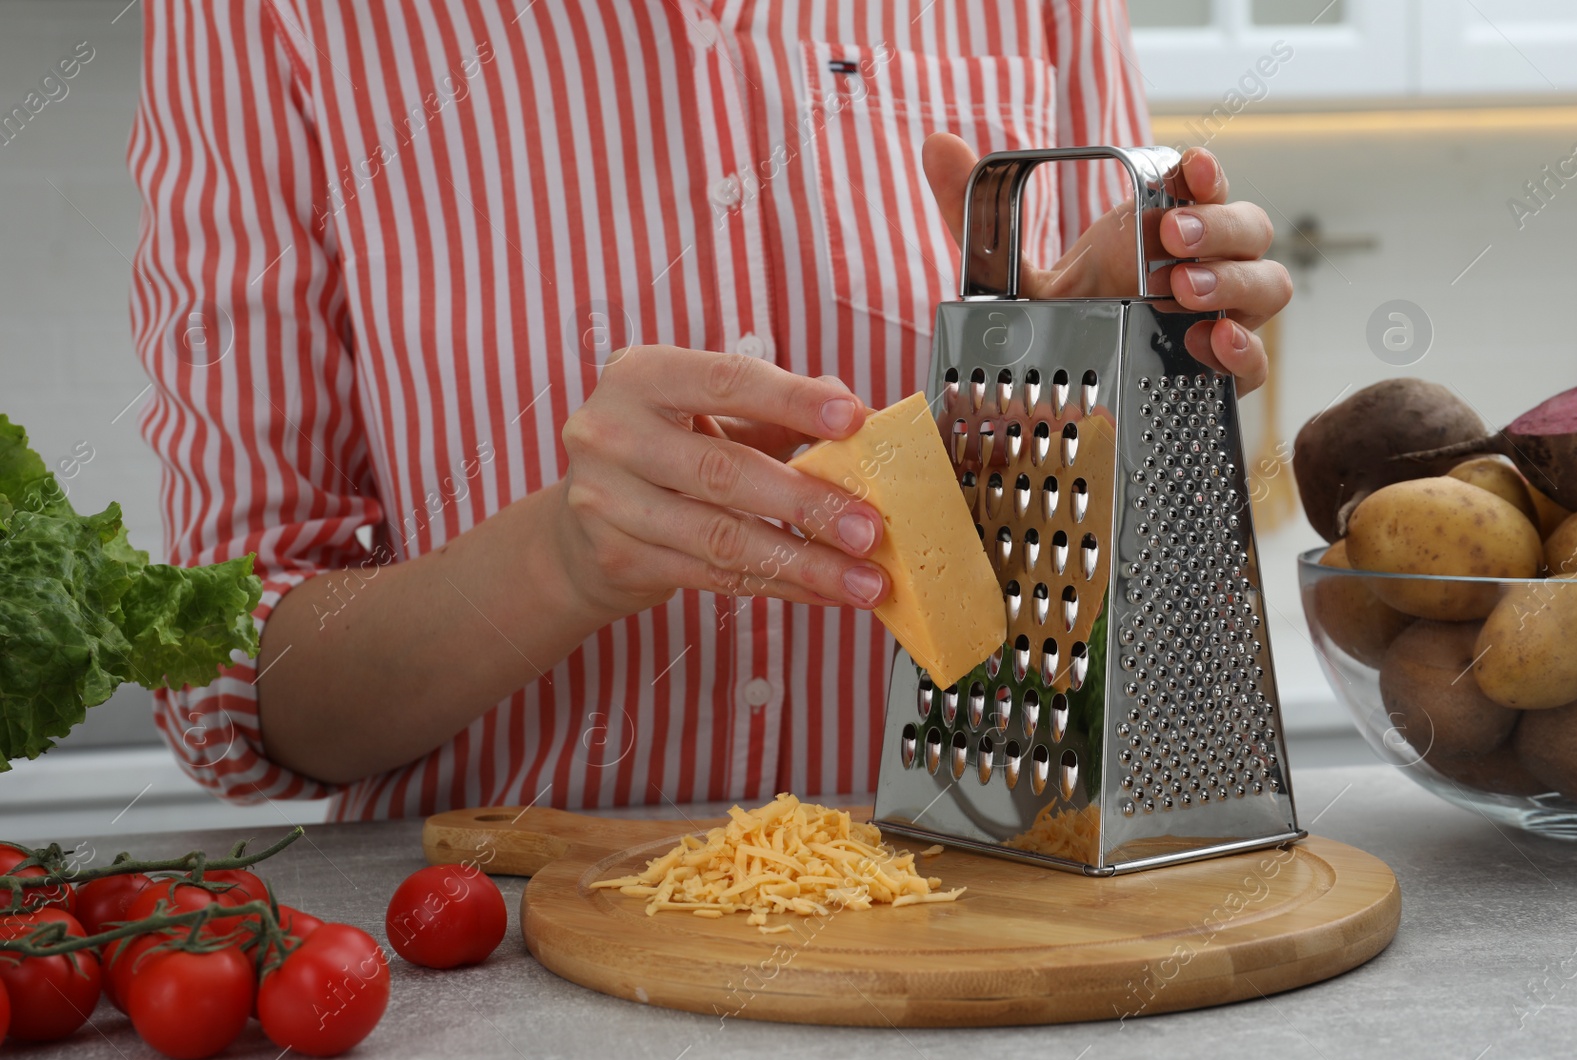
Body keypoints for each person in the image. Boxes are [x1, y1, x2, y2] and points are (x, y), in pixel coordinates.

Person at [131, 2, 1290, 819]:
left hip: (967, 929)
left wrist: (1118, 385)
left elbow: (1123, 609)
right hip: (501, 973)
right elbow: (234, 680)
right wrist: (560, 560)